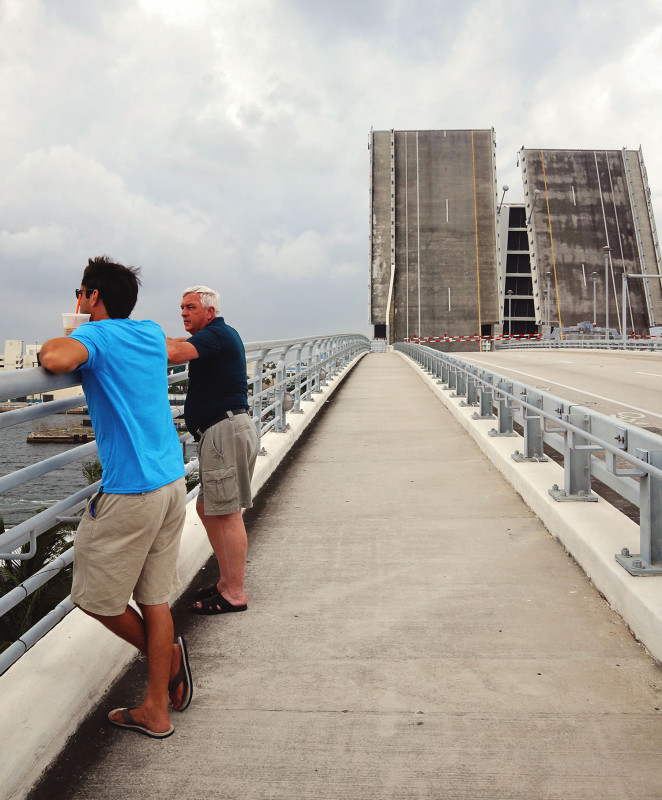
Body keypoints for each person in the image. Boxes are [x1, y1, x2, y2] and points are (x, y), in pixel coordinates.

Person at [39, 256, 192, 740]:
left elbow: (54, 360)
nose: (76, 300)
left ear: (92, 298)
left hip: (131, 491)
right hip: (171, 482)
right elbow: (182, 350)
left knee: (95, 598)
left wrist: (69, 333)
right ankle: (155, 708)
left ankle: (167, 662)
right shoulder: (147, 332)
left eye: (79, 293)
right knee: (154, 598)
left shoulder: (97, 337)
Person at [166, 286, 258, 615]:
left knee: (227, 513)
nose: (183, 312)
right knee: (208, 509)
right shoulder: (215, 335)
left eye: (189, 307)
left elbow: (173, 354)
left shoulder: (216, 334)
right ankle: (226, 581)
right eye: (181, 307)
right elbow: (178, 345)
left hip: (224, 432)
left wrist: (137, 336)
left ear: (209, 311)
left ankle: (235, 593)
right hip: (223, 431)